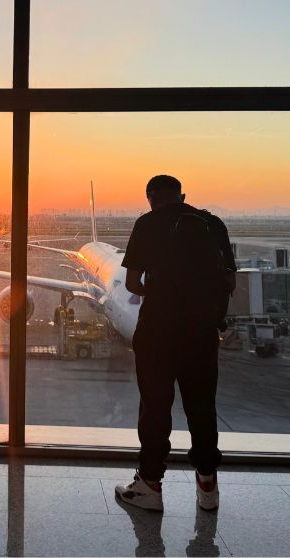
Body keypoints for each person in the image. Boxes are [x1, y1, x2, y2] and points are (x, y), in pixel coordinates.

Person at [115, 175, 236, 512]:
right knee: (202, 407)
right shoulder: (212, 224)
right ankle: (207, 486)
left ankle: (150, 486)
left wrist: (160, 292)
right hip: (200, 334)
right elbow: (230, 279)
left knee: (155, 408)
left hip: (157, 333)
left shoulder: (148, 223)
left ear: (151, 197)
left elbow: (132, 284)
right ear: (182, 196)